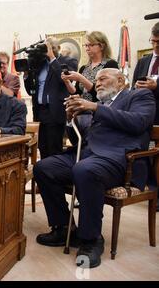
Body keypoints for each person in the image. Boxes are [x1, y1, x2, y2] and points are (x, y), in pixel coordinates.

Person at [34, 68, 155, 268]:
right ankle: (65, 228)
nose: (97, 83)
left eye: (103, 78)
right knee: (44, 167)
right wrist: (70, 119)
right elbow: (79, 139)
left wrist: (96, 108)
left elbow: (138, 123)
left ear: (121, 80)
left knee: (85, 171)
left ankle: (91, 240)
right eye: (96, 80)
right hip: (87, 154)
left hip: (119, 159)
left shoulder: (139, 96)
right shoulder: (100, 105)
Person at [24, 37, 78, 159]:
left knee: (54, 149)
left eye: (52, 48)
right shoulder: (40, 65)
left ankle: (54, 175)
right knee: (42, 148)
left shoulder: (69, 61)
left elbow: (64, 78)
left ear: (58, 48)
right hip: (40, 111)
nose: (49, 51)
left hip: (55, 111)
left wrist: (52, 58)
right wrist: (27, 75)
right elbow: (31, 90)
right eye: (46, 49)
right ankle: (44, 175)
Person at [62, 31, 119, 102]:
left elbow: (105, 94)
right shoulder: (84, 68)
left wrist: (81, 79)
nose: (87, 48)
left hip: (102, 109)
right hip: (84, 110)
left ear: (102, 46)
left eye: (91, 45)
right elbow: (77, 92)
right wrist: (67, 81)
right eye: (86, 45)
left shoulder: (111, 64)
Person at [132, 22, 159, 125]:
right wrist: (136, 87)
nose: (156, 45)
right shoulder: (142, 61)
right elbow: (133, 85)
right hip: (143, 113)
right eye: (153, 41)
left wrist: (156, 86)